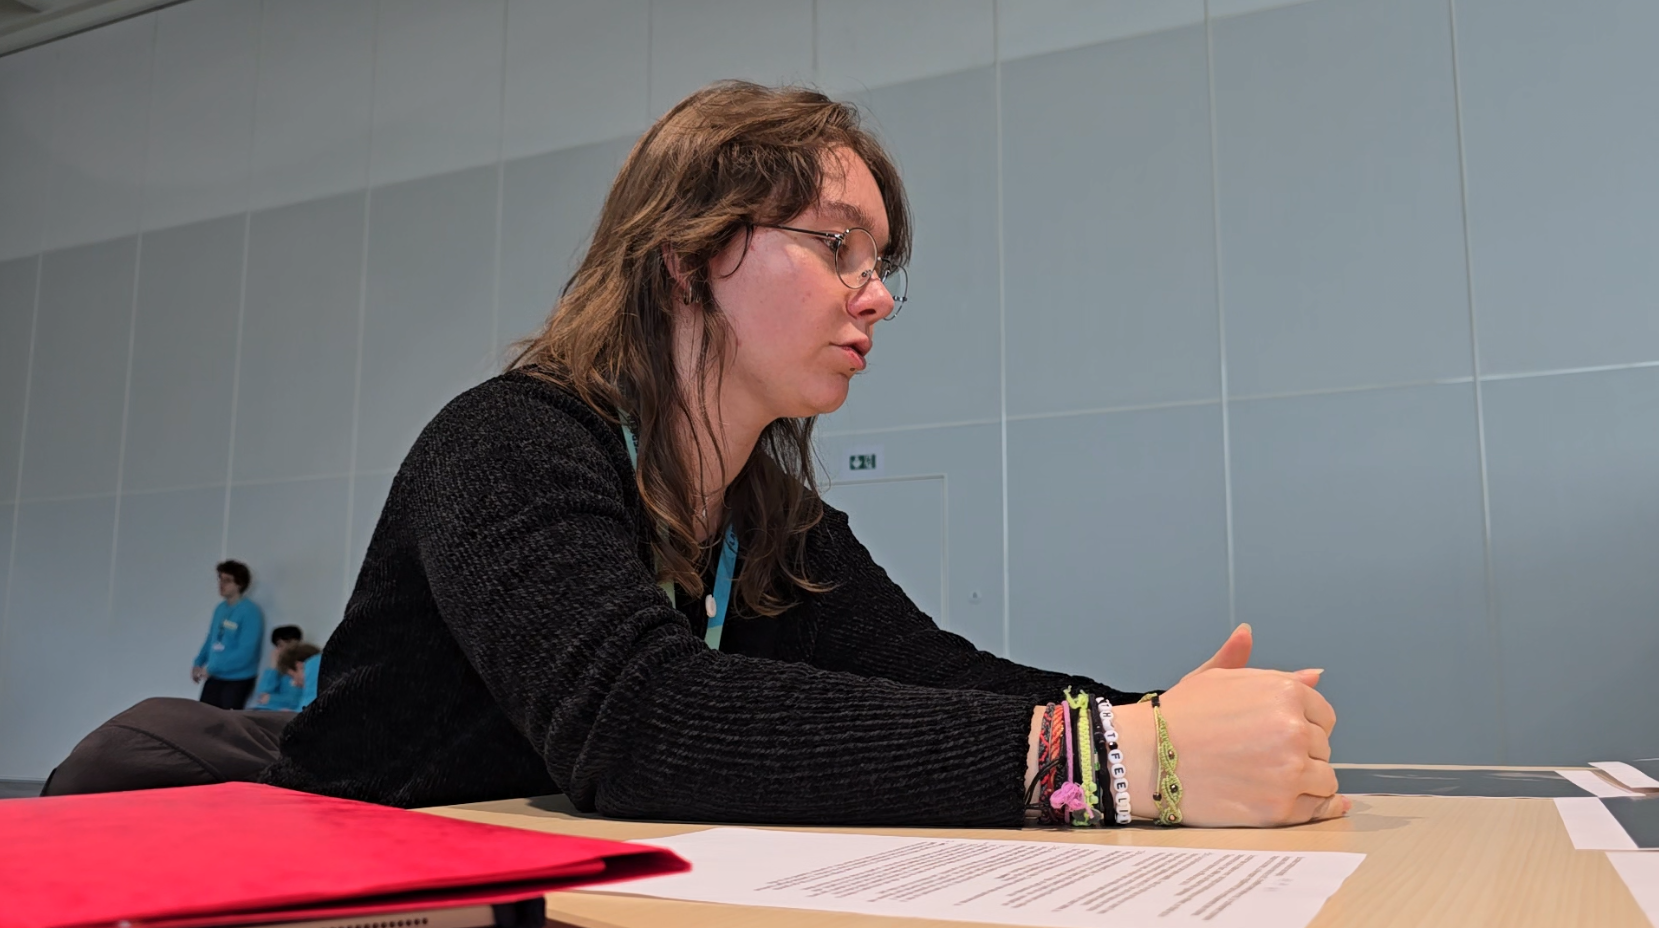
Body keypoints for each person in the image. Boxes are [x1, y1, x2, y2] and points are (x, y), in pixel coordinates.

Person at [259, 82, 1344, 829]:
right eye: (836, 247)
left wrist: (1167, 723)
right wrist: (1115, 762)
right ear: (688, 257)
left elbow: (941, 678)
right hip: (342, 895)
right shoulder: (506, 442)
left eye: (880, 264)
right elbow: (639, 724)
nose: (876, 297)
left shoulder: (771, 516)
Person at [191, 560, 264, 710]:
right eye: (220, 579)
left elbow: (246, 652)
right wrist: (198, 662)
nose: (221, 584)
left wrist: (212, 668)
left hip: (237, 678)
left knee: (228, 721)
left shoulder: (250, 612)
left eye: (227, 580)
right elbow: (211, 639)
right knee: (203, 715)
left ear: (240, 584)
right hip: (216, 675)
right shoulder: (220, 609)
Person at [251, 627, 310, 712]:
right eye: (280, 645)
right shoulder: (279, 668)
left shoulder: (304, 668)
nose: (285, 649)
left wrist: (272, 699)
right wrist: (273, 665)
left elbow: (297, 700)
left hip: (287, 713)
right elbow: (262, 693)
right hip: (266, 710)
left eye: (288, 643)